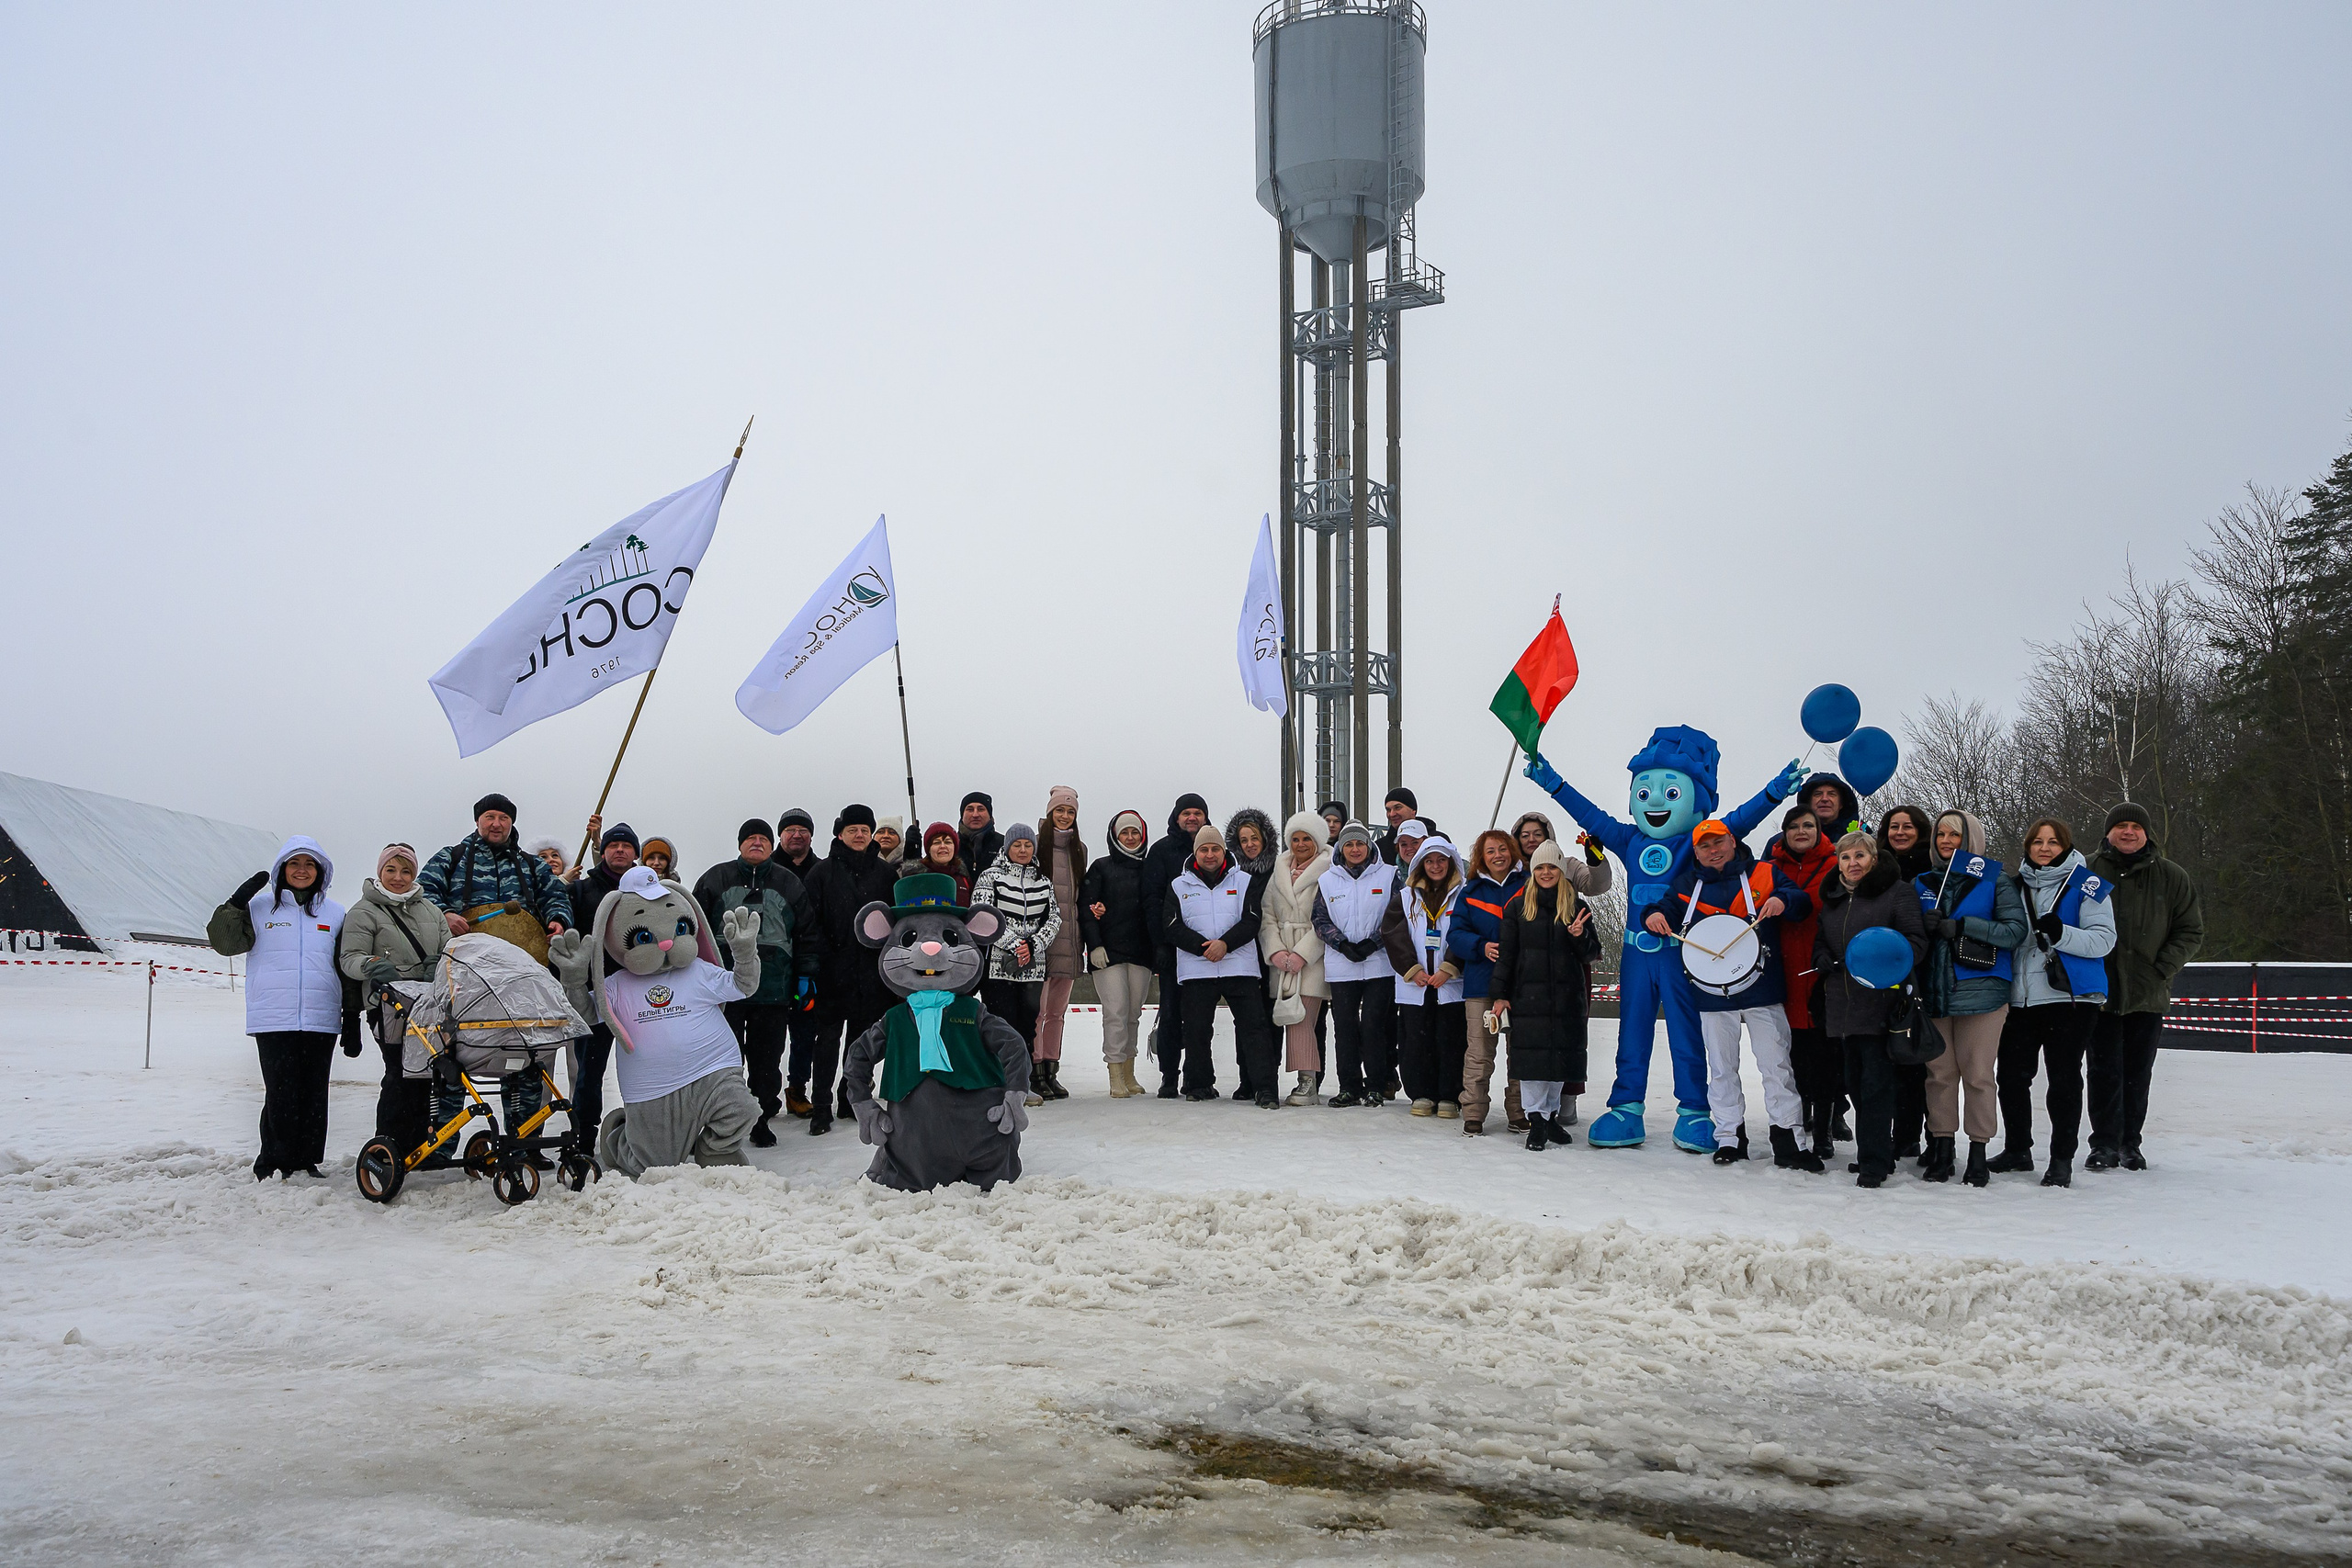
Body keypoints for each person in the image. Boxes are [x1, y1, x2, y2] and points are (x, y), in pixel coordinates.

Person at [1635, 818, 1817, 1170]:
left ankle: (1789, 1140)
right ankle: (1730, 1138)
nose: (1713, 850)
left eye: (1718, 842)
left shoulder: (1764, 873)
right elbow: (1660, 909)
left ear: (1732, 841)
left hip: (1763, 990)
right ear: (1696, 852)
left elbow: (1801, 902)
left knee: (1777, 1067)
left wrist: (1783, 900)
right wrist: (1653, 915)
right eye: (1704, 846)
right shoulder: (1686, 885)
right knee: (1721, 1069)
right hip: (1712, 996)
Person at [207, 837, 348, 1180]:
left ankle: (306, 1161)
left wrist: (353, 1016)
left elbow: (343, 965)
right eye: (294, 863)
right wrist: (234, 905)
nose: (302, 870)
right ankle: (272, 1161)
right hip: (273, 1015)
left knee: (314, 1093)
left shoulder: (335, 913)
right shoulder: (259, 908)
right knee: (281, 1092)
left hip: (321, 1015)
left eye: (310, 864)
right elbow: (224, 943)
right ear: (282, 868)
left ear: (321, 871)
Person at [1994, 817, 2117, 1188]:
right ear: (2027, 847)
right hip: (2021, 998)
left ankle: (2061, 1159)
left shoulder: (2088, 884)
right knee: (2011, 1077)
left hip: (2070, 998)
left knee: (2063, 1079)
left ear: (2066, 846)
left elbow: (2104, 940)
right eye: (2037, 842)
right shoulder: (2012, 886)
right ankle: (2017, 1149)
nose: (2044, 848)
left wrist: (2062, 934)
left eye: (2053, 842)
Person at [2086, 802, 2202, 1171]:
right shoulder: (2085, 871)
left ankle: (2129, 1144)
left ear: (2146, 833)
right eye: (2121, 826)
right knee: (2103, 1072)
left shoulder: (2172, 876)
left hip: (2148, 993)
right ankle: (2103, 1144)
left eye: (2136, 827)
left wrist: (2162, 968)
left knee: (2137, 1073)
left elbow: (2190, 931)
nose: (2129, 832)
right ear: (2108, 832)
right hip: (2099, 992)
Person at [1917, 809, 2029, 1186]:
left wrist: (1965, 926)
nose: (1946, 841)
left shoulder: (1994, 879)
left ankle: (1978, 1150)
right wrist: (1922, 927)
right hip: (1935, 993)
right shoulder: (1922, 882)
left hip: (1982, 993)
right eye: (1941, 835)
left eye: (1955, 834)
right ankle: (1942, 1147)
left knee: (1978, 1075)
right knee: (1939, 1074)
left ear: (1971, 839)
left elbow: (2015, 931)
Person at [692, 819, 819, 1147]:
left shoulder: (788, 882)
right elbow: (694, 930)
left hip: (773, 991)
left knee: (767, 1061)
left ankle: (761, 1117)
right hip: (725, 990)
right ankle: (725, 1118)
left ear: (771, 845)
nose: (757, 843)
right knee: (726, 1060)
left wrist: (805, 975)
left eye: (763, 838)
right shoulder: (715, 879)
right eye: (750, 838)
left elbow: (806, 933)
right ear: (740, 844)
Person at [1813, 831, 1928, 1189]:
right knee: (1855, 1086)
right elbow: (1821, 941)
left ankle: (1875, 1163)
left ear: (1874, 859)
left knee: (1876, 1086)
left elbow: (1915, 943)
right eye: (1846, 857)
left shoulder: (1897, 893)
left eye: (1860, 856)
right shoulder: (1833, 899)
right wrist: (1822, 958)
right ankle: (1874, 1153)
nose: (1853, 863)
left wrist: (1878, 960)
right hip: (1844, 1007)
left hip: (1882, 1005)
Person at [336, 843, 448, 1156]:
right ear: (380, 871)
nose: (398, 877)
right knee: (399, 1073)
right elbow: (349, 957)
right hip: (388, 1006)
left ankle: (418, 1147)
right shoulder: (363, 911)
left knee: (427, 1076)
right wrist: (372, 965)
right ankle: (389, 1146)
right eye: (391, 870)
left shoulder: (432, 911)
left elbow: (448, 949)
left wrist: (439, 964)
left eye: (406, 871)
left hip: (428, 1005)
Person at [1489, 840, 1602, 1151]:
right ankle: (1536, 1120)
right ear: (1533, 870)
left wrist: (1580, 936)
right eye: (1540, 867)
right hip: (1529, 998)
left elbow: (1592, 953)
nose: (1546, 872)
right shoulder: (1517, 907)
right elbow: (1507, 955)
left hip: (1567, 999)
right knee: (1533, 1063)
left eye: (1552, 866)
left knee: (1559, 1060)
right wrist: (1499, 994)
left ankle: (1551, 1116)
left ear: (1561, 870)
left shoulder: (1578, 908)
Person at [799, 806, 900, 1134]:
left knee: (861, 1043)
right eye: (852, 829)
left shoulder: (885, 875)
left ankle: (850, 1097)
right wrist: (821, 961)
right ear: (840, 834)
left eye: (864, 830)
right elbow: (809, 923)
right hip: (831, 973)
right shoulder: (821, 873)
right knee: (827, 1042)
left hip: (870, 976)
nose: (859, 835)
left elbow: (894, 923)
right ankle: (821, 1106)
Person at [1161, 823, 1275, 1104]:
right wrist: (1204, 948)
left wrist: (1225, 944)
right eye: (1204, 849)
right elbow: (1172, 926)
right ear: (1195, 853)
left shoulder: (1244, 881)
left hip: (1240, 967)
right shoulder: (1179, 885)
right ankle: (1199, 1085)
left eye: (1215, 849)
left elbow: (1252, 920)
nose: (1210, 855)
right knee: (1197, 1030)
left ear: (1224, 852)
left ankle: (1264, 1088)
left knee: (1254, 1029)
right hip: (1197, 970)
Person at [1764, 807, 1842, 1158]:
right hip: (1781, 972)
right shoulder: (1770, 868)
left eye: (1808, 825)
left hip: (1822, 972)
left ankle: (1824, 1130)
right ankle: (1799, 1120)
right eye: (1793, 826)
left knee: (1825, 1057)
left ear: (1819, 830)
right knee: (1790, 1056)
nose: (1801, 831)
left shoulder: (1835, 865)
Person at [971, 823, 1063, 1103]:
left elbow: (1054, 917)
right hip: (998, 966)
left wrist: (1033, 945)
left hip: (1033, 967)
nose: (1023, 850)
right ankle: (997, 1083)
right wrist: (1013, 943)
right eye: (1017, 845)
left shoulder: (1042, 881)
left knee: (1027, 1027)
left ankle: (1021, 1084)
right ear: (1007, 847)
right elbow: (981, 915)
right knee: (1001, 1024)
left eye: (1027, 845)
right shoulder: (990, 876)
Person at [563, 822, 641, 1141]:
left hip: (638, 994)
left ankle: (647, 1128)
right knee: (589, 1073)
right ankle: (583, 1136)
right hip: (594, 996)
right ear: (603, 851)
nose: (619, 850)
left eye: (626, 846)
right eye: (613, 845)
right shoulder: (580, 891)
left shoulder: (645, 891)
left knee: (645, 1067)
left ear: (635, 853)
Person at [418, 793, 573, 950]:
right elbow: (423, 892)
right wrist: (445, 914)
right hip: (462, 953)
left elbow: (556, 897)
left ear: (511, 823)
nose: (496, 824)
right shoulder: (450, 857)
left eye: (504, 818)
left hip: (523, 955)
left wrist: (558, 920)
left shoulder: (533, 864)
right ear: (477, 821)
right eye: (490, 817)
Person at [1313, 821, 1396, 1107]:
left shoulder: (1389, 875)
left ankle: (1375, 1086)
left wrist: (1374, 942)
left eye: (1360, 843)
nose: (1355, 849)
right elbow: (1319, 919)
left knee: (1374, 1026)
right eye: (1349, 844)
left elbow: (1396, 916)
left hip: (1379, 964)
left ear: (1369, 846)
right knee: (1345, 1027)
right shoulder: (1328, 880)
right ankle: (1349, 1086)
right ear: (1341, 848)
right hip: (1342, 966)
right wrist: (1342, 944)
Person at [1383, 838, 1467, 1118]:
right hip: (1415, 985)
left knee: (1451, 1041)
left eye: (1441, 860)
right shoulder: (1405, 898)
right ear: (1420, 864)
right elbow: (1393, 935)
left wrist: (1449, 967)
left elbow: (1467, 932)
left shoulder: (1463, 895)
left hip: (1450, 985)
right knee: (1415, 1043)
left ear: (1451, 863)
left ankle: (1449, 1096)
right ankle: (1421, 1093)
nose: (1435, 866)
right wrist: (1412, 968)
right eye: (1429, 861)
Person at [1450, 829, 1525, 1136]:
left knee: (1521, 1052)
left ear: (1512, 852)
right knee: (1479, 1054)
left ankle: (1519, 1111)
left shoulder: (1528, 884)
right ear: (1481, 857)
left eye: (1503, 849)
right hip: (1481, 983)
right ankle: (1473, 1112)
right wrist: (1480, 946)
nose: (1498, 856)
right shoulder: (1471, 891)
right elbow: (1455, 935)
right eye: (1490, 851)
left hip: (1523, 984)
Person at [1081, 809, 1159, 1097]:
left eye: (1134, 832)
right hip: (1108, 954)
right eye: (1124, 832)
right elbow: (1086, 908)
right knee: (1116, 1013)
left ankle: (1129, 1072)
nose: (1130, 837)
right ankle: (1115, 1074)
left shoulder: (1150, 869)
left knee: (1133, 1015)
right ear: (1115, 836)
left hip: (1141, 954)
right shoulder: (1101, 868)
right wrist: (1094, 945)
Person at [1874, 804, 1936, 1156]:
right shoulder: (1876, 869)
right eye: (1894, 826)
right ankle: (1903, 1134)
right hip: (1886, 972)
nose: (1900, 832)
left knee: (1923, 1059)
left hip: (1925, 969)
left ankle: (1932, 1135)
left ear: (1921, 831)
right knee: (1895, 1057)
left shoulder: (1933, 870)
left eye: (1908, 826)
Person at [1141, 793, 1211, 1096]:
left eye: (1197, 813)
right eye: (1186, 813)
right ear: (1177, 817)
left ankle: (1197, 1076)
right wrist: (1160, 943)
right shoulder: (1161, 851)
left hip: (1206, 950)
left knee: (1200, 1019)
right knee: (1170, 1015)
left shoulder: (1214, 850)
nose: (1192, 818)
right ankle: (1168, 1075)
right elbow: (1152, 900)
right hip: (1171, 949)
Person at [1261, 812, 1331, 1104]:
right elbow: (1267, 916)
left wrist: (1303, 954)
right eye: (1295, 839)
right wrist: (1276, 951)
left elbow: (1328, 917)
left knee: (1301, 1019)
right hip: (1283, 958)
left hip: (1313, 958)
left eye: (1307, 839)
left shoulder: (1329, 870)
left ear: (1318, 841)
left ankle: (1308, 1083)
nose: (1300, 844)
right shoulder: (1279, 870)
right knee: (1291, 1018)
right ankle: (1304, 1080)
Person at [1035, 787, 1089, 1097]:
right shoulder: (1035, 846)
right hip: (1042, 942)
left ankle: (1051, 1068)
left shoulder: (1079, 849)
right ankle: (1034, 1071)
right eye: (1060, 810)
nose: (1065, 816)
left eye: (1070, 812)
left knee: (1057, 1012)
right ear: (1050, 812)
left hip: (1070, 941)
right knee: (1038, 1012)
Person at [903, 821, 973, 904]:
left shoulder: (964, 878)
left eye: (948, 842)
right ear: (929, 849)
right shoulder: (916, 878)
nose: (943, 846)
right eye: (937, 843)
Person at [1376, 787, 1442, 865]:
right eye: (1388, 810)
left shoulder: (1439, 840)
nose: (1392, 814)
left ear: (1413, 810)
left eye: (1398, 808)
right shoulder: (1379, 848)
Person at [1800, 773, 1866, 841]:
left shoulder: (1860, 832)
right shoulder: (1796, 832)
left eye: (1831, 794)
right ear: (1808, 803)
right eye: (1818, 794)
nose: (1824, 799)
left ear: (1841, 803)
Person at [956, 792, 1005, 885]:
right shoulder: (951, 846)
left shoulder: (1004, 845)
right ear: (962, 815)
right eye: (970, 809)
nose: (975, 815)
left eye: (981, 809)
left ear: (990, 815)